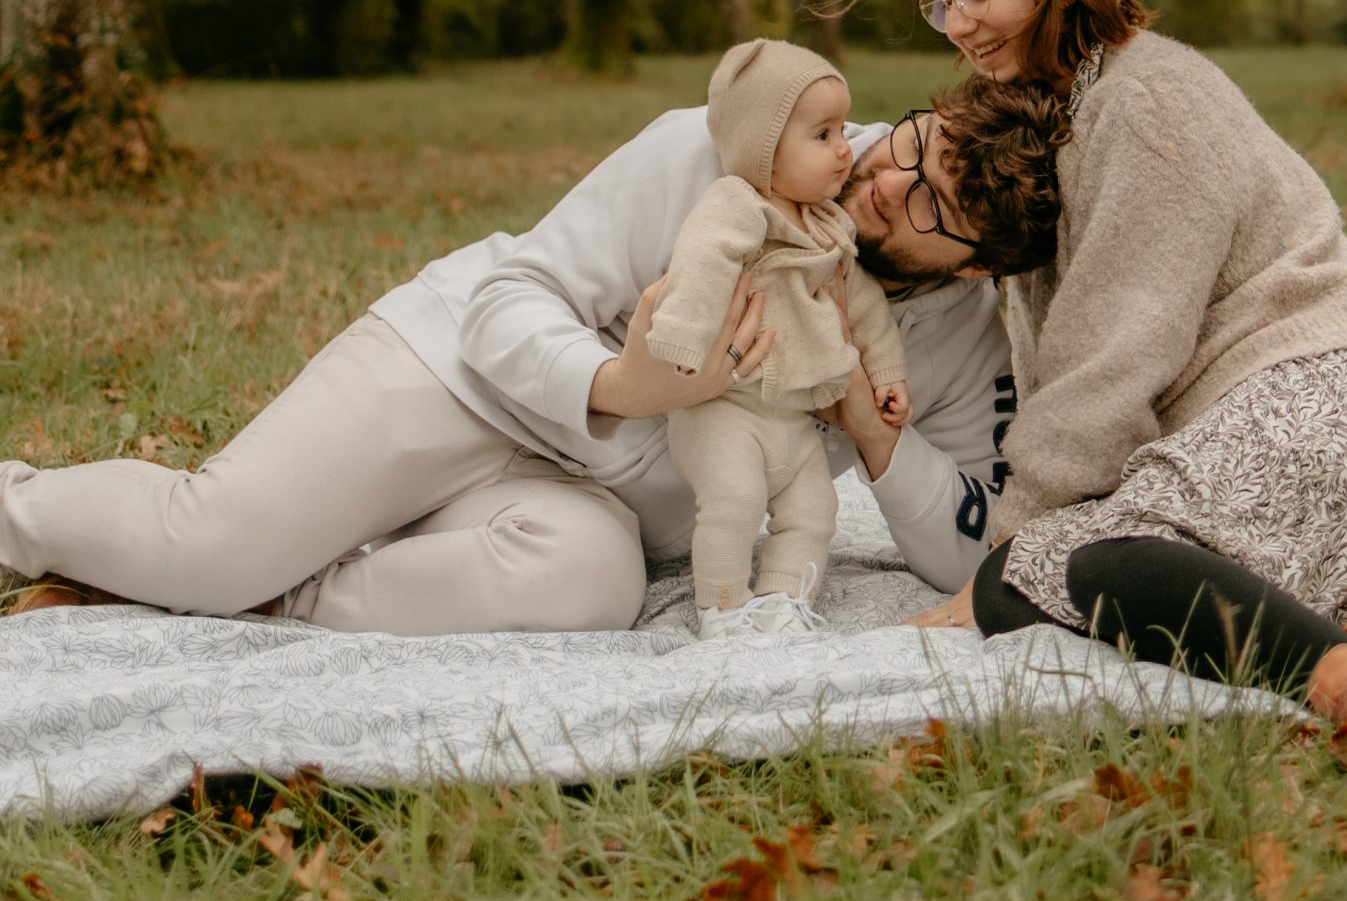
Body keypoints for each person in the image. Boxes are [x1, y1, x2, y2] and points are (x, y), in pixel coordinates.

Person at [0, 72, 1062, 635]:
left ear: (975, 267)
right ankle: (38, 518)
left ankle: (281, 592)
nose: (885, 179)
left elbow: (973, 548)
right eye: (913, 142)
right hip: (455, 380)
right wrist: (627, 382)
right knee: (208, 543)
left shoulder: (964, 338)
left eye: (930, 204)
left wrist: (873, 434)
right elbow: (512, 298)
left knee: (591, 587)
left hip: (586, 503)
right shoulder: (730, 145)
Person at [908, 0, 1347, 749]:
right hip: (1319, 405)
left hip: (1320, 394)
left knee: (1054, 572)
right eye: (941, 3)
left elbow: (1115, 353)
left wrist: (1011, 542)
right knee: (1051, 566)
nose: (960, 22)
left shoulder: (1141, 100)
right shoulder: (1073, 102)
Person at [654, 39, 911, 639]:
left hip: (793, 419)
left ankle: (782, 601)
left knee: (816, 511)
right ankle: (722, 607)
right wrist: (683, 336)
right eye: (822, 135)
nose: (845, 148)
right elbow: (703, 260)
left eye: (842, 129)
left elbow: (864, 306)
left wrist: (886, 374)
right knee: (735, 500)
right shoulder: (739, 206)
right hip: (724, 409)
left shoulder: (827, 223)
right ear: (764, 149)